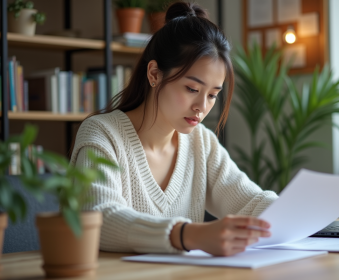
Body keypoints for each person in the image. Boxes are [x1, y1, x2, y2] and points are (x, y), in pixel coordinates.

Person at [70, 1, 278, 256]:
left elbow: (249, 202)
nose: (202, 107)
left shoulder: (202, 142)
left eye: (213, 95)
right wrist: (189, 235)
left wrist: (303, 212)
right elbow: (98, 217)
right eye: (192, 89)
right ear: (154, 74)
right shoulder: (102, 134)